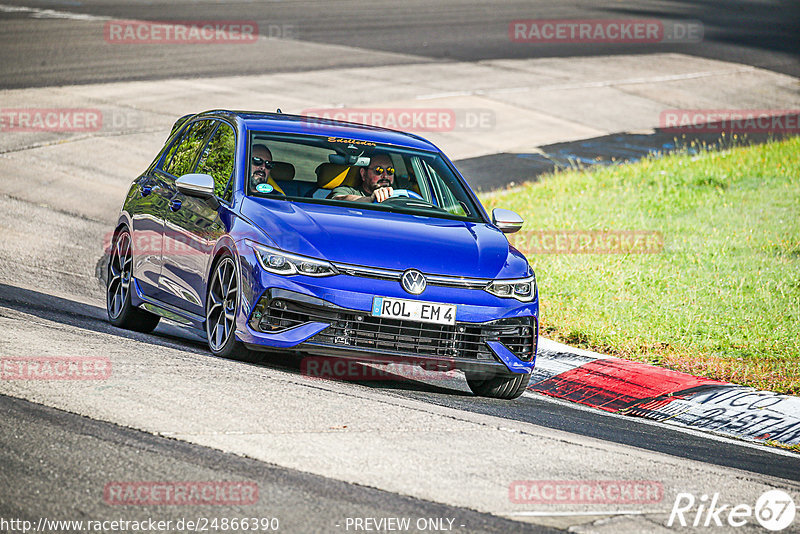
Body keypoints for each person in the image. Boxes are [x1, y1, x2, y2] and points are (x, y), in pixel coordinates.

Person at [330, 153, 395, 203]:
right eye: (378, 170)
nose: (385, 176)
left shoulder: (401, 196)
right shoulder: (347, 191)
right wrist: (371, 199)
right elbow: (338, 199)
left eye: (390, 170)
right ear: (363, 173)